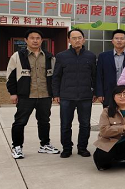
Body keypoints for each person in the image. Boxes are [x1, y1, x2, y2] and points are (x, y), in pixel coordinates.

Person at [6, 28, 59, 159]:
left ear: (41, 40)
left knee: (44, 121)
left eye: (38, 38)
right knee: (20, 122)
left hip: (45, 95)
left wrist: (55, 93)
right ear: (26, 40)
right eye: (32, 38)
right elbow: (10, 76)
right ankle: (17, 147)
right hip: (26, 96)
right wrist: (13, 93)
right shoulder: (17, 56)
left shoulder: (49, 56)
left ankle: (45, 144)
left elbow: (54, 77)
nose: (35, 40)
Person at [53, 28, 97, 158]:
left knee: (85, 124)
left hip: (85, 96)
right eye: (74, 38)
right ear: (69, 40)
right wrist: (56, 94)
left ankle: (82, 148)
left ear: (84, 39)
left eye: (79, 38)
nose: (77, 40)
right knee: (65, 124)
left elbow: (94, 76)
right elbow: (56, 77)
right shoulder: (61, 56)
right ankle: (66, 148)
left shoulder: (91, 56)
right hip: (67, 96)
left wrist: (95, 92)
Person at [96, 29, 125, 108]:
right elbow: (99, 75)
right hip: (108, 92)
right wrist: (99, 93)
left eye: (122, 38)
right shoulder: (103, 56)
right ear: (112, 41)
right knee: (110, 114)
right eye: (116, 38)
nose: (119, 40)